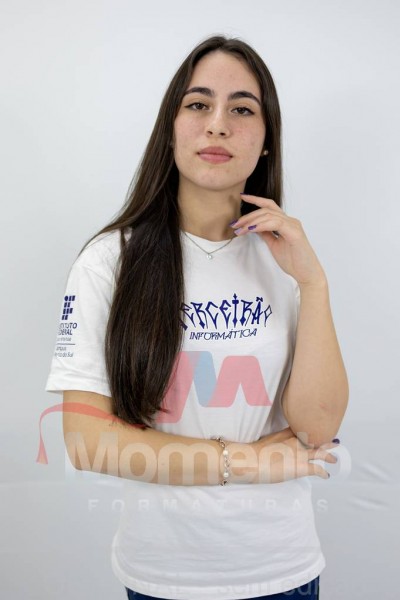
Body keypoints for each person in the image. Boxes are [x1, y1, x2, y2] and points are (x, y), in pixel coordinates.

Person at [45, 35, 348, 600]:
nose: (217, 125)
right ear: (171, 129)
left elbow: (316, 432)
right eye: (198, 104)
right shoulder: (109, 261)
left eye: (242, 109)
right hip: (164, 577)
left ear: (266, 142)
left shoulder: (287, 260)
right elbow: (87, 441)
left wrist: (314, 284)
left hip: (283, 570)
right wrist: (246, 462)